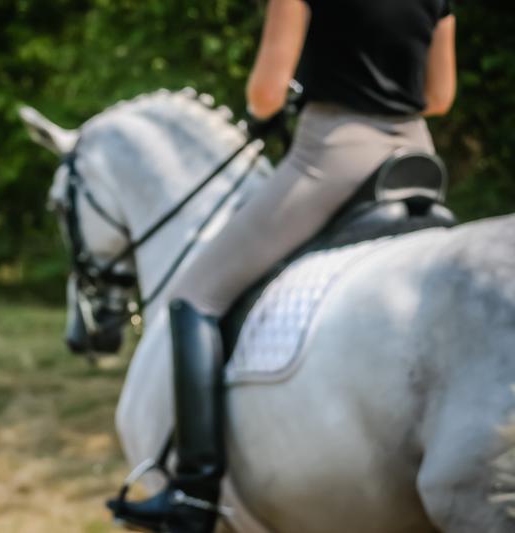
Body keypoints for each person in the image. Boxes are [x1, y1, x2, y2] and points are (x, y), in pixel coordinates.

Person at [108, 0, 456, 531]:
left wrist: (272, 107)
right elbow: (439, 96)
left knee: (195, 295)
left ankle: (195, 493)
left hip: (336, 152)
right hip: (417, 160)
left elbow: (266, 92)